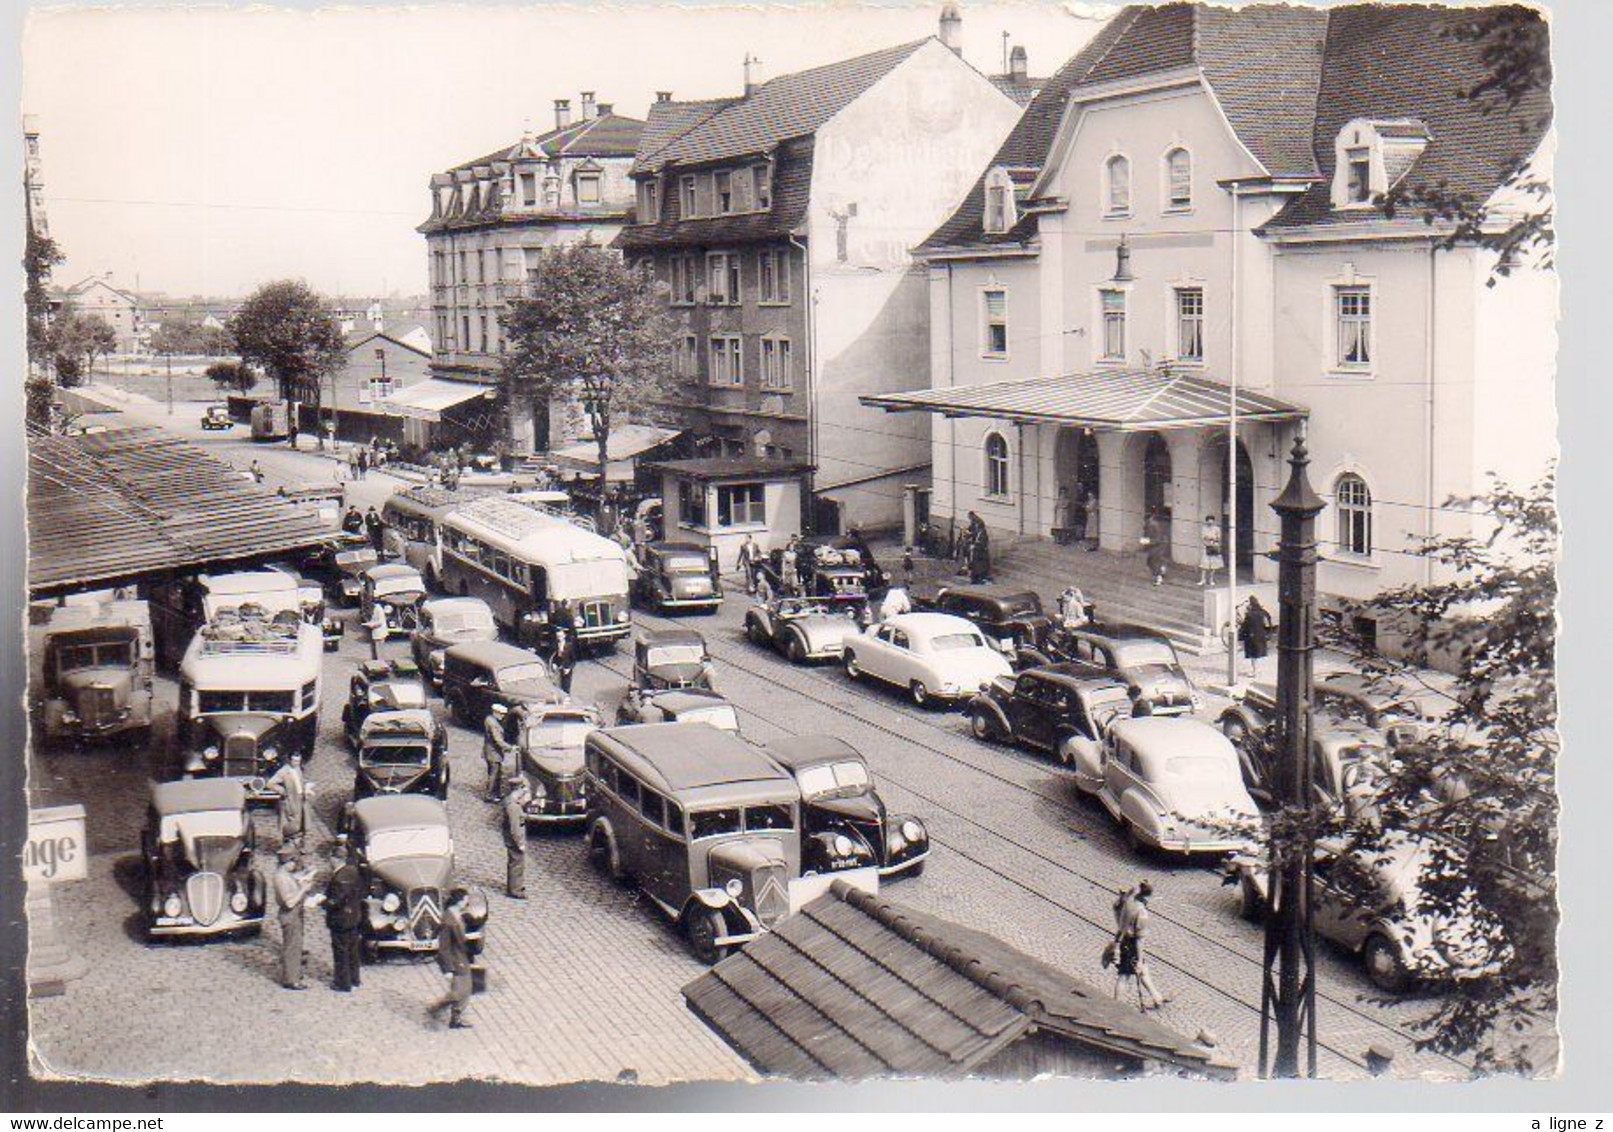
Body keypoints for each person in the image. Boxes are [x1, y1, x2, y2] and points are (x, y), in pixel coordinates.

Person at [1109, 881, 1168, 1011]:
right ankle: (1116, 1007)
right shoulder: (1142, 914)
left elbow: (1118, 914)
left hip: (1123, 941)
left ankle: (1156, 997)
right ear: (1147, 897)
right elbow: (1140, 940)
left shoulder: (1129, 902)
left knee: (1143, 971)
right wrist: (1140, 960)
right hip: (1132, 945)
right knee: (1124, 976)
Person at [272, 844, 319, 991]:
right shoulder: (280, 878)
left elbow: (295, 878)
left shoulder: (285, 875)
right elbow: (290, 902)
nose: (296, 866)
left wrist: (306, 874)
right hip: (290, 915)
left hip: (295, 914)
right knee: (292, 947)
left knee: (297, 945)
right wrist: (303, 889)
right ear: (288, 862)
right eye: (294, 862)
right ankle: (291, 979)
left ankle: (295, 973)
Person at [429, 888, 475, 1030]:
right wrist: (447, 968)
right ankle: (439, 1009)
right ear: (459, 901)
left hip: (461, 958)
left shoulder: (456, 915)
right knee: (460, 991)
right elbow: (444, 948)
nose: (467, 903)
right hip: (456, 960)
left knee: (465, 989)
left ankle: (455, 1017)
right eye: (465, 900)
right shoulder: (449, 921)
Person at [324, 843, 364, 993]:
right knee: (353, 949)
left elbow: (336, 900)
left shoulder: (338, 877)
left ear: (335, 859)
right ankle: (355, 978)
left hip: (340, 920)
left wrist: (323, 902)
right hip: (353, 916)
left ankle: (342, 982)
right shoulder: (352, 871)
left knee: (340, 950)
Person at [264, 751, 308, 848]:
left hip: (300, 798)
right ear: (290, 760)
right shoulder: (284, 771)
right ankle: (288, 844)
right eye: (294, 761)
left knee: (301, 821)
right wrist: (283, 791)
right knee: (291, 821)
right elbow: (270, 783)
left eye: (298, 761)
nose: (296, 763)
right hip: (290, 799)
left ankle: (298, 844)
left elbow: (299, 782)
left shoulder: (298, 769)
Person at [502, 781, 530, 900]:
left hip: (512, 838)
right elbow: (515, 828)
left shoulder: (510, 802)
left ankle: (514, 886)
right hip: (515, 839)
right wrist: (520, 843)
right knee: (517, 864)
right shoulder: (513, 807)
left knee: (515, 862)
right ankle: (515, 889)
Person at [482, 704, 514, 802]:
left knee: (496, 773)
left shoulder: (489, 719)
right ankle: (489, 795)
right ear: (495, 712)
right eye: (501, 714)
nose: (502, 716)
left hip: (490, 751)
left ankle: (496, 793)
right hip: (493, 753)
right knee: (494, 774)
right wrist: (510, 748)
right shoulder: (493, 724)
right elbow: (498, 740)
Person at [1238, 596, 1275, 678]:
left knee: (1253, 655)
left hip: (1252, 637)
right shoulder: (1263, 612)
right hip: (1261, 635)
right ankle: (1256, 670)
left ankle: (1255, 671)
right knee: (1257, 654)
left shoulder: (1249, 614)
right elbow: (1268, 621)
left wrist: (1240, 636)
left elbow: (1245, 626)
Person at [1142, 508, 1168, 587]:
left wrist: (1147, 542)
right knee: (1152, 561)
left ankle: (1158, 577)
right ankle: (1162, 570)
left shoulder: (1151, 525)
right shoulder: (1151, 524)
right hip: (1158, 545)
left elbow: (1156, 538)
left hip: (1157, 546)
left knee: (1152, 561)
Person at [550, 625, 576, 695]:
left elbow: (574, 659)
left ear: (564, 636)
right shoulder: (555, 644)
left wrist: (569, 668)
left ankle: (567, 699)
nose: (559, 638)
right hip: (558, 667)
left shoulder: (569, 645)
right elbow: (553, 655)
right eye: (557, 637)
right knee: (557, 686)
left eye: (560, 637)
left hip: (566, 668)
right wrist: (554, 664)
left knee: (566, 687)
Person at [1199, 514, 1223, 587]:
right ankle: (1203, 580)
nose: (1210, 522)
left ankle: (1211, 580)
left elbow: (1218, 538)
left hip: (1214, 547)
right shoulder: (1204, 528)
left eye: (1211, 521)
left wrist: (1213, 539)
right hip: (1206, 547)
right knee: (1204, 565)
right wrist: (1209, 539)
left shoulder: (1216, 529)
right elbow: (1203, 537)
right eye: (1208, 521)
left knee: (1213, 565)